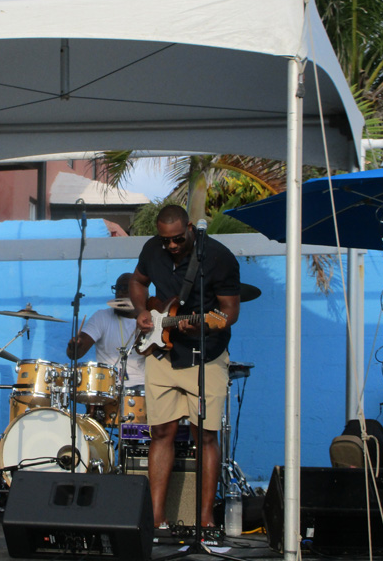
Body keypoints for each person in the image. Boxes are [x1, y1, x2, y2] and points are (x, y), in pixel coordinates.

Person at [130, 205, 240, 530]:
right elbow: (138, 281)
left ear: (190, 228)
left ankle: (205, 519)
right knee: (160, 432)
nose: (172, 245)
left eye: (178, 239)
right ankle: (156, 518)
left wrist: (203, 325)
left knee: (204, 436)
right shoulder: (152, 249)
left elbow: (229, 312)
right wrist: (141, 310)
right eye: (166, 240)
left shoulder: (219, 257)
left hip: (205, 356)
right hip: (162, 353)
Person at [66, 272, 145, 388]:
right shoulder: (101, 317)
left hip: (141, 384)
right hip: (109, 386)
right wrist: (74, 347)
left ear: (137, 291)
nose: (120, 292)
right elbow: (77, 352)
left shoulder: (148, 318)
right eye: (117, 288)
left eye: (125, 288)